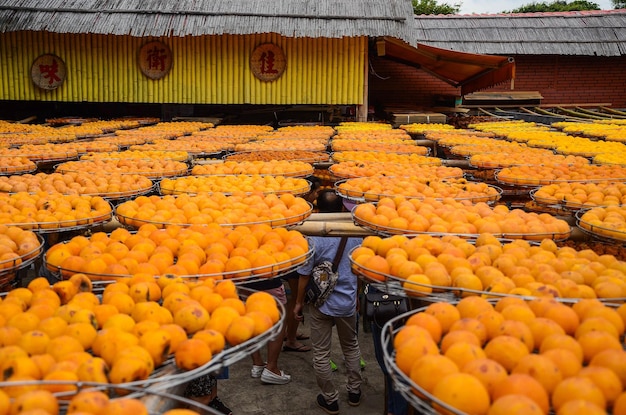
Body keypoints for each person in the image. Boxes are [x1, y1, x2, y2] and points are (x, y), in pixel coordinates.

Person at [294, 189, 363, 414]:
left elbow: (304, 275)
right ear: (342, 209)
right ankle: (355, 392)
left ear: (319, 210)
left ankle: (330, 399)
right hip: (347, 302)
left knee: (321, 353)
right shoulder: (355, 234)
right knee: (351, 347)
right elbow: (360, 269)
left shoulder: (313, 236)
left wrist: (298, 303)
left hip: (321, 304)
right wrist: (358, 295)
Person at [242, 278, 292, 385]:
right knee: (278, 321)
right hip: (269, 281)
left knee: (250, 319)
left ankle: (257, 363)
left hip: (245, 280)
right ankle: (271, 368)